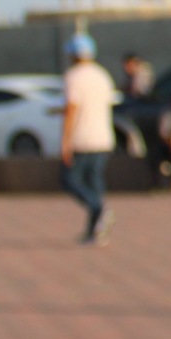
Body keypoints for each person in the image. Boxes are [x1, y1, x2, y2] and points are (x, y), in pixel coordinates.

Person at [61, 33, 117, 245]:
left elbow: (72, 109)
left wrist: (65, 141)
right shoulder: (102, 76)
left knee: (69, 180)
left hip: (82, 139)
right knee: (94, 182)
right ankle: (94, 231)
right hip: (102, 138)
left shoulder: (73, 77)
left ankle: (99, 209)